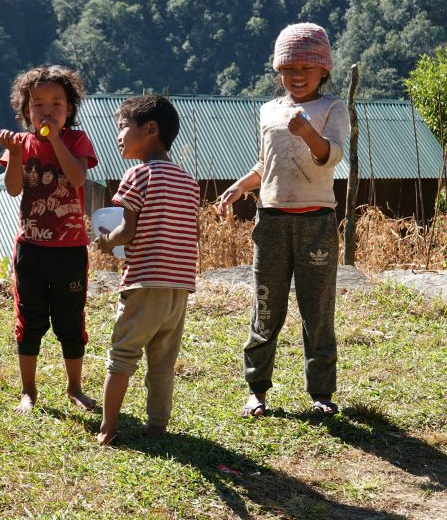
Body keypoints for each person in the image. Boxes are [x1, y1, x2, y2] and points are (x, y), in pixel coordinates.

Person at [218, 23, 349, 417]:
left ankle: (321, 393)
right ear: (277, 71)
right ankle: (257, 389)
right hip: (271, 220)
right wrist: (240, 187)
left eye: (306, 69)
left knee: (317, 309)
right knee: (266, 305)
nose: (296, 76)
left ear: (324, 70)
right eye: (288, 68)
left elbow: (333, 155)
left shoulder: (332, 109)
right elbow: (267, 164)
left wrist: (308, 132)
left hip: (316, 222)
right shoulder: (268, 111)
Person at [95, 95, 200, 446]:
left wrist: (107, 241)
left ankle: (108, 427)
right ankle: (157, 428)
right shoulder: (188, 181)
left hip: (144, 283)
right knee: (162, 361)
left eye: (123, 127)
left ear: (150, 129)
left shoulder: (138, 175)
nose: (119, 136)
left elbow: (128, 231)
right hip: (179, 288)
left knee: (122, 356)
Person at [0, 64, 98, 414]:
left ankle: (75, 387)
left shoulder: (75, 140)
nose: (47, 110)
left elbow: (75, 178)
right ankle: (28, 391)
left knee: (71, 321)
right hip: (31, 250)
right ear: (27, 110)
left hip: (70, 251)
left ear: (69, 109)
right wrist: (13, 155)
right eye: (38, 103)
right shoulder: (20, 144)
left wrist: (55, 138)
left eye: (56, 103)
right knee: (29, 320)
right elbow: (13, 189)